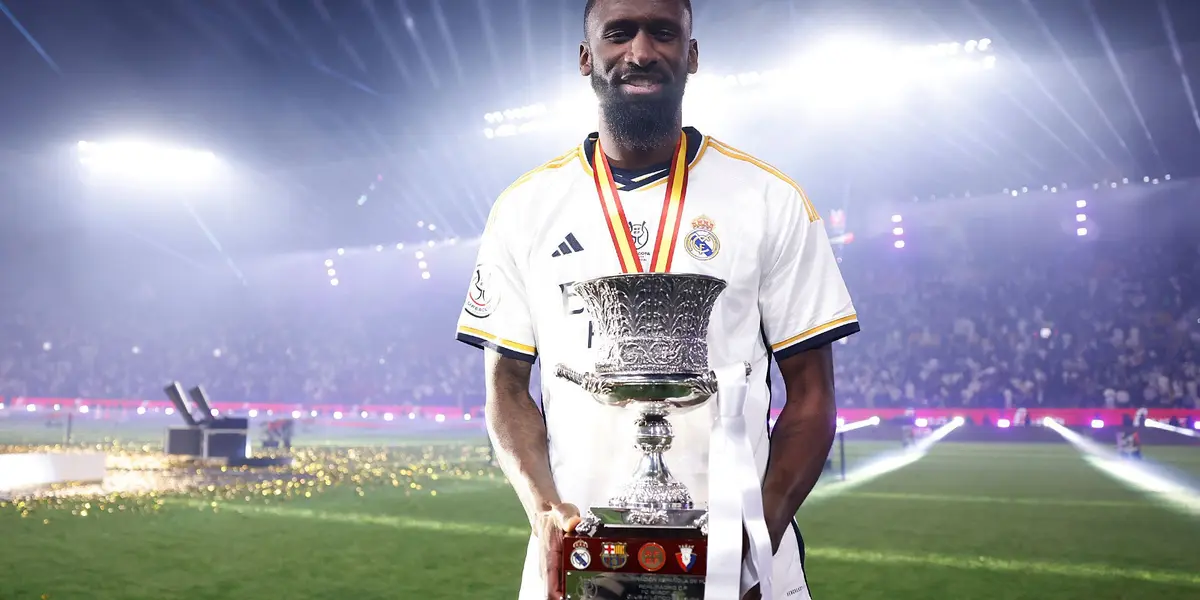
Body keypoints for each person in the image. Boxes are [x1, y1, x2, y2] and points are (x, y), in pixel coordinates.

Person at [454, 0, 859, 598]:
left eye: (663, 33)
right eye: (619, 34)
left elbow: (812, 394)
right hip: (582, 562)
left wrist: (754, 539)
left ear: (691, 55)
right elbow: (507, 386)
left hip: (744, 575)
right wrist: (544, 509)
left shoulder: (769, 199)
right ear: (587, 58)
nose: (640, 52)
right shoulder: (524, 209)